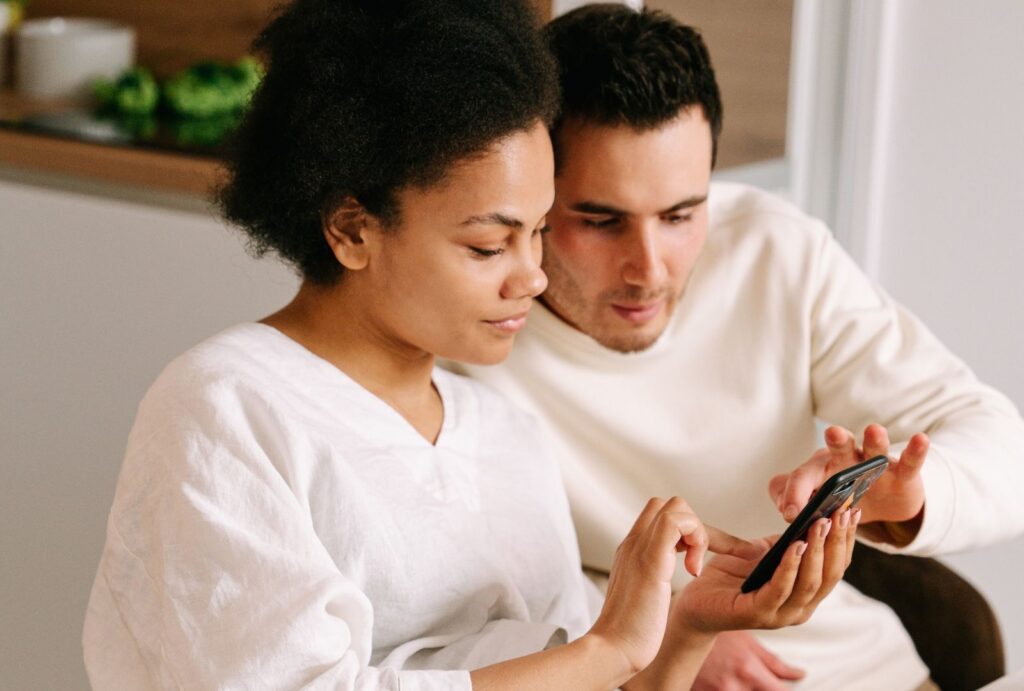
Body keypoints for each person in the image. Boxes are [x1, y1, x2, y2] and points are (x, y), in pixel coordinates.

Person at [81, 1, 857, 689]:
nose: (532, 276)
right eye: (489, 246)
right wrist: (612, 647)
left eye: (539, 232)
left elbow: (589, 676)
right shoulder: (226, 409)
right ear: (352, 229)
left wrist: (680, 628)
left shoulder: (505, 433)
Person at [451, 5, 1024, 691]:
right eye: (601, 221)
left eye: (680, 215)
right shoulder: (464, 333)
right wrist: (666, 635)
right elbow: (457, 594)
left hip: (862, 671)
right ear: (537, 194)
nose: (649, 268)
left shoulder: (773, 251)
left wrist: (909, 495)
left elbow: (1002, 444)